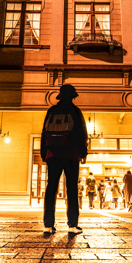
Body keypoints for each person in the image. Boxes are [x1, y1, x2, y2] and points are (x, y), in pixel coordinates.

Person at [40, 84, 89, 233]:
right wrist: (83, 153)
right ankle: (72, 225)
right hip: (71, 154)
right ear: (73, 97)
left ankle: (48, 225)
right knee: (72, 189)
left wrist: (44, 153)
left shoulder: (52, 110)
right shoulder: (75, 111)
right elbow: (82, 132)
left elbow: (43, 132)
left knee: (51, 188)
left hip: (53, 154)